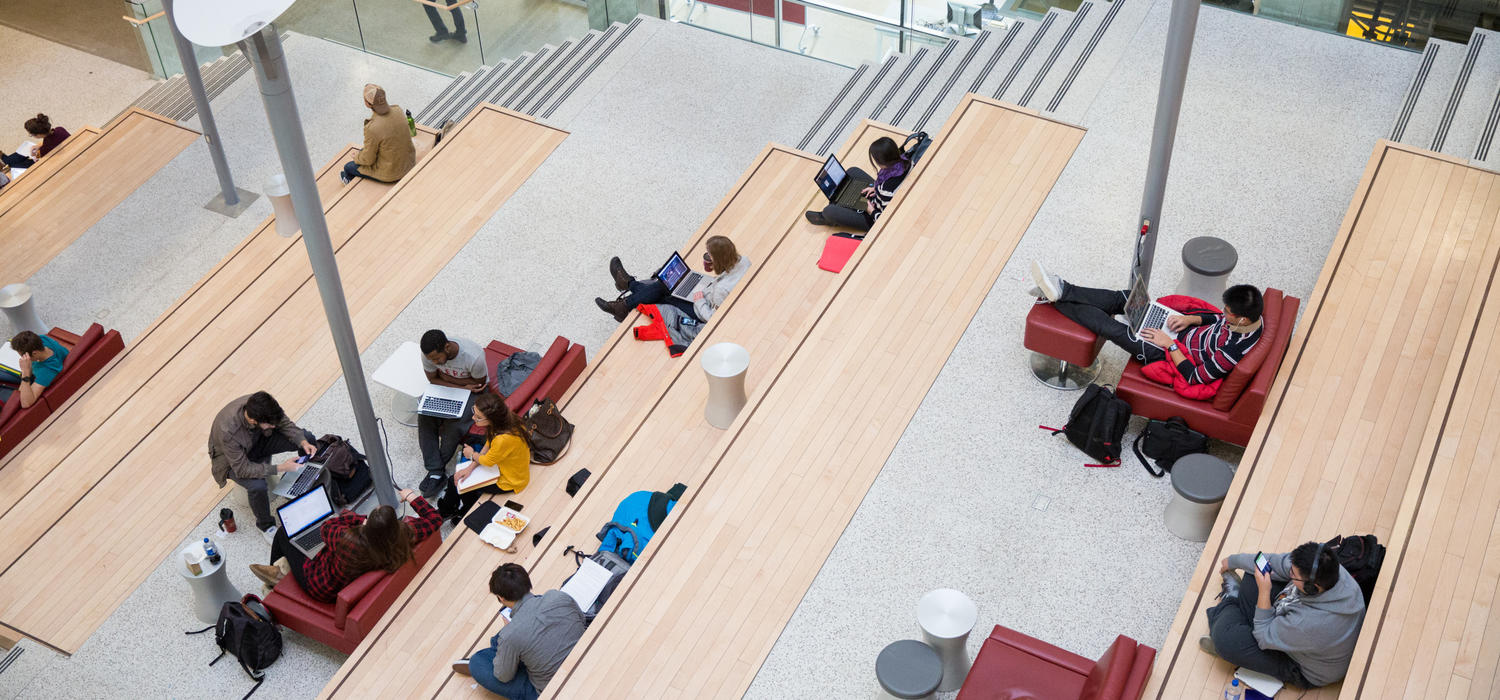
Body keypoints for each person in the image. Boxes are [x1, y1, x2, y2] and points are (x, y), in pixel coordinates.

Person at [1029, 262, 1264, 383]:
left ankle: (1052, 297)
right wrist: (1191, 319)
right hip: (1181, 332)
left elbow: (1196, 377)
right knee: (1125, 298)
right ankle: (1063, 290)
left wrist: (1169, 344)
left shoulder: (1234, 350)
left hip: (1173, 354)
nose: (1223, 314)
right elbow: (1216, 318)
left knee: (1113, 329)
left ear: (1242, 319)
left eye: (1228, 312)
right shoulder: (1251, 320)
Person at [1200, 542, 1367, 688]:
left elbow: (1263, 636)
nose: (1289, 572)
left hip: (1299, 665)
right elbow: (1276, 563)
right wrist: (1232, 561)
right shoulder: (1331, 571)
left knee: (1225, 640)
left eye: (1293, 574)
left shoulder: (1307, 624)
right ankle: (1235, 618)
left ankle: (1231, 600)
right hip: (1294, 630)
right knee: (1257, 571)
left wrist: (1264, 592)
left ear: (1311, 588)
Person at [249, 487, 441, 601]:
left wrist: (358, 519)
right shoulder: (405, 535)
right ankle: (279, 567)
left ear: (368, 526)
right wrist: (412, 496)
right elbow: (435, 518)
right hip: (350, 570)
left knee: (283, 534)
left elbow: (327, 526)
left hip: (320, 584)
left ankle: (276, 573)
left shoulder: (348, 542)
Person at [452, 563, 587, 700]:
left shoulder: (510, 635)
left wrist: (510, 633)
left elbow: (503, 677)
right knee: (504, 640)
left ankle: (504, 654)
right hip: (585, 662)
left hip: (552, 690)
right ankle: (508, 652)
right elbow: (582, 620)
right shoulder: (557, 596)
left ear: (501, 597)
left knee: (478, 661)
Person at [208, 391, 318, 541]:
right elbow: (243, 469)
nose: (274, 426)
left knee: (308, 437)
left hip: (258, 440)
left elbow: (284, 423)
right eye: (270, 424)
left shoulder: (265, 407)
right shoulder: (228, 431)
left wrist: (303, 442)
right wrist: (281, 468)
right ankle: (266, 526)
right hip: (232, 462)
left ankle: (305, 481)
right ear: (253, 420)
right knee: (257, 486)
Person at [594, 235, 752, 323]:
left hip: (699, 308)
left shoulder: (720, 291)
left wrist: (699, 300)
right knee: (663, 286)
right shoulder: (744, 261)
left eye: (709, 256)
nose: (706, 258)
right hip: (709, 290)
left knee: (663, 292)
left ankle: (626, 294)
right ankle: (627, 288)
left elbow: (713, 318)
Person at [418, 329, 489, 499]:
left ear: (447, 347)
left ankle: (435, 471)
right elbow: (433, 379)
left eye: (437, 359)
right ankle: (436, 472)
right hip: (449, 387)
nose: (435, 362)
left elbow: (479, 384)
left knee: (455, 423)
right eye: (431, 360)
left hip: (474, 392)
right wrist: (460, 385)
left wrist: (448, 379)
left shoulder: (474, 357)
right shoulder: (427, 354)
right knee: (424, 414)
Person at [437, 392, 530, 523]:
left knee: (457, 483)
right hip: (507, 468)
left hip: (509, 480)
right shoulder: (506, 422)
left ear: (492, 419)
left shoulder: (503, 439)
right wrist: (470, 468)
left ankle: (454, 511)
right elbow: (488, 444)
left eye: (478, 417)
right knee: (461, 480)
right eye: (474, 412)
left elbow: (487, 461)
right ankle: (458, 510)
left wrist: (471, 454)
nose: (473, 418)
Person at [804, 136, 909, 232]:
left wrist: (871, 210)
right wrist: (876, 188)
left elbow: (883, 220)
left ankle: (827, 217)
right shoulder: (906, 160)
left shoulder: (886, 191)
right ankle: (842, 203)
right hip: (882, 195)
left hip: (872, 217)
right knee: (852, 171)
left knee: (828, 211)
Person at [341, 84, 415, 185]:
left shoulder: (372, 128)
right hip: (409, 162)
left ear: (367, 103)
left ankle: (348, 180)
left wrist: (356, 157)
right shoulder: (398, 110)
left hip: (391, 173)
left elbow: (368, 160)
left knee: (348, 167)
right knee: (365, 151)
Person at [9, 331, 69, 409]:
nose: (22, 358)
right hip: (31, 373)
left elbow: (26, 403)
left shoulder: (47, 370)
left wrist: (25, 373)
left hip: (29, 378)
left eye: (23, 356)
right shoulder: (42, 339)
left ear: (34, 353)